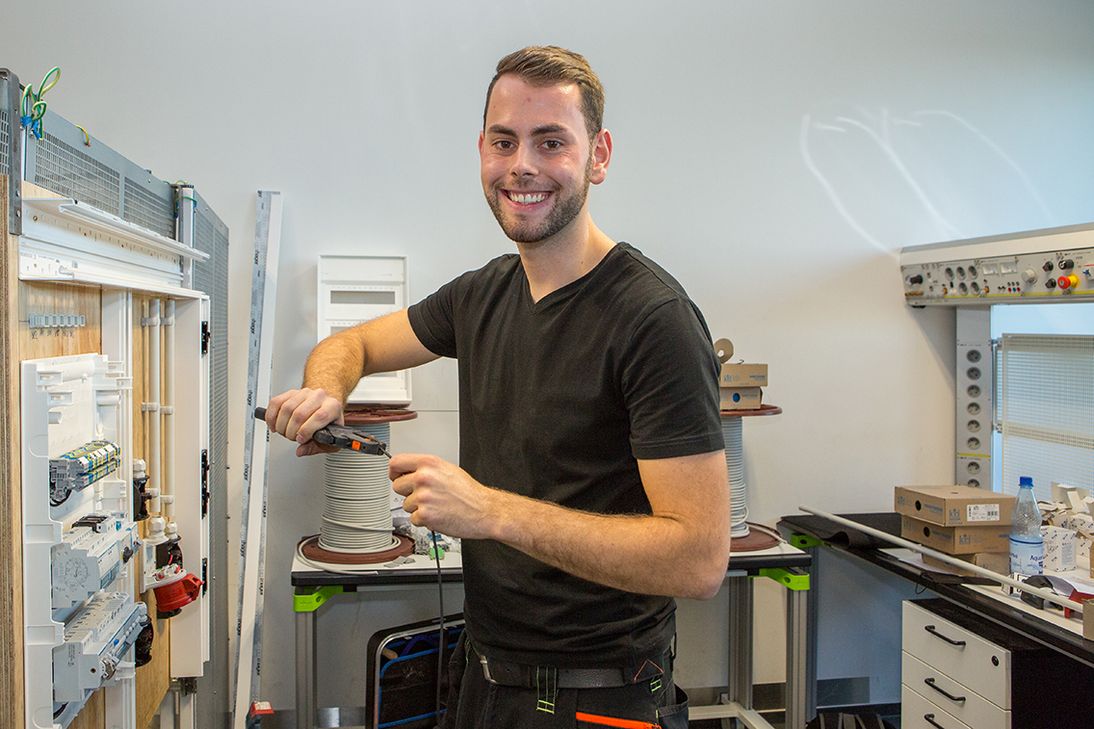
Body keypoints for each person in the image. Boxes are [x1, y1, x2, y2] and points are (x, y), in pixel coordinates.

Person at [265, 45, 730, 729]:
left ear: (598, 156)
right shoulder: (483, 294)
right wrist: (325, 392)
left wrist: (487, 511)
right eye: (504, 141)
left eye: (552, 142)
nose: (523, 166)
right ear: (482, 149)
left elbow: (698, 559)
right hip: (485, 681)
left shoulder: (652, 319)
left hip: (601, 698)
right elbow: (351, 344)